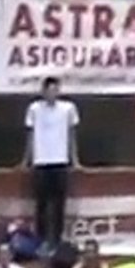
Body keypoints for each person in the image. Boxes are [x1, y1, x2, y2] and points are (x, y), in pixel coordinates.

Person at [21, 76, 80, 255]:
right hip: (41, 162)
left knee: (59, 205)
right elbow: (30, 136)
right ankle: (41, 241)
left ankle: (57, 241)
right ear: (44, 91)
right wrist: (26, 159)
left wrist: (75, 159)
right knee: (41, 205)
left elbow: (72, 136)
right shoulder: (34, 109)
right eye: (49, 90)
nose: (52, 93)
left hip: (60, 162)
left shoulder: (68, 108)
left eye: (56, 89)